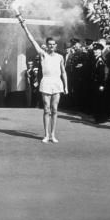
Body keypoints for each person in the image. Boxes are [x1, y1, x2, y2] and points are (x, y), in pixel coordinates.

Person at [17, 13, 67, 143]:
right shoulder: (42, 54)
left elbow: (63, 72)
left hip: (57, 82)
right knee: (46, 108)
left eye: (53, 44)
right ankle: (46, 135)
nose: (51, 46)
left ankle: (53, 134)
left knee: (55, 109)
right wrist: (24, 26)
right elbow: (31, 39)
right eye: (49, 44)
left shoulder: (60, 57)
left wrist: (66, 86)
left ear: (56, 46)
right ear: (46, 45)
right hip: (46, 81)